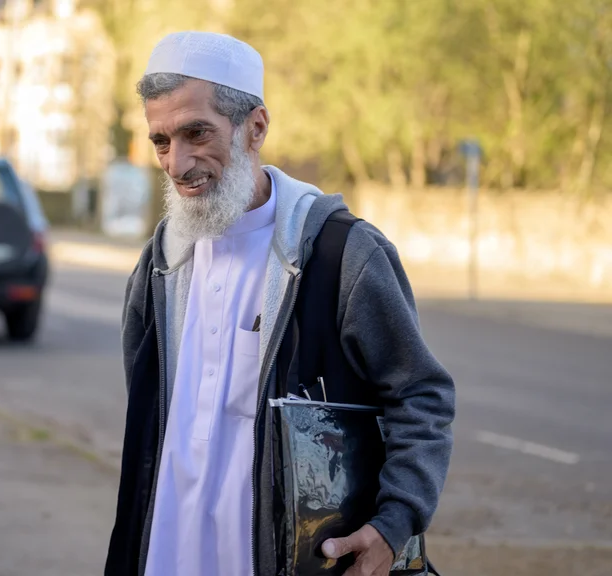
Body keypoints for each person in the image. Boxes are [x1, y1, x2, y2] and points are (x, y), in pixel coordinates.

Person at [105, 31, 455, 576]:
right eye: (162, 142)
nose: (178, 163)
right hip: (168, 553)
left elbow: (421, 396)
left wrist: (393, 525)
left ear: (256, 127)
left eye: (197, 132)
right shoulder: (161, 264)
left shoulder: (344, 255)